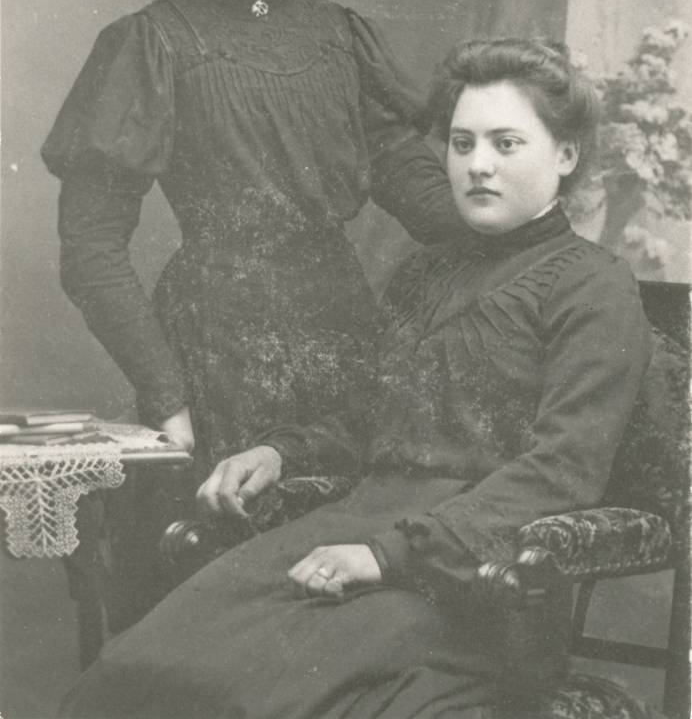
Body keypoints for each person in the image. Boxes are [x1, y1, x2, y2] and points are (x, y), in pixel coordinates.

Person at [58, 38, 654, 719]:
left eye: (506, 144)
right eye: (461, 144)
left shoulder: (593, 286)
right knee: (135, 667)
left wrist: (384, 556)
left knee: (260, 693)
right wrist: (279, 452)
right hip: (351, 527)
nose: (477, 165)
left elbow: (564, 469)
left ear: (566, 155)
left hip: (480, 577)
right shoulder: (426, 272)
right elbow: (372, 415)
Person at [41, 0, 462, 503]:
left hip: (344, 342)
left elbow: (415, 186)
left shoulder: (342, 36)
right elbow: (90, 248)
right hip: (214, 356)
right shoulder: (151, 42)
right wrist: (165, 393)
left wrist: (526, 229)